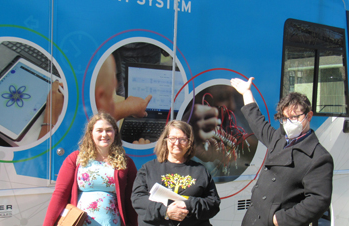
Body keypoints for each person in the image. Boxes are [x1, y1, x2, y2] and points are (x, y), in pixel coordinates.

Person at [230, 77, 333, 226]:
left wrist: (281, 220)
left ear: (309, 116)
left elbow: (319, 200)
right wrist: (246, 93)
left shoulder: (319, 157)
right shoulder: (279, 137)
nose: (288, 122)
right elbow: (257, 122)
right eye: (284, 118)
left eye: (294, 117)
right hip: (252, 220)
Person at [43, 112, 138, 226]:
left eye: (108, 130)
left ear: (115, 133)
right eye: (99, 130)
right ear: (91, 133)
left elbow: (130, 200)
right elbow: (60, 194)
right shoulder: (75, 159)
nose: (104, 134)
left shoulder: (126, 163)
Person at [131, 120, 221, 226]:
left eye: (182, 139)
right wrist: (166, 211)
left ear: (189, 142)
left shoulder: (200, 171)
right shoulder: (148, 169)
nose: (177, 143)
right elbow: (137, 199)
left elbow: (213, 204)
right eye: (172, 138)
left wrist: (188, 204)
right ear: (165, 140)